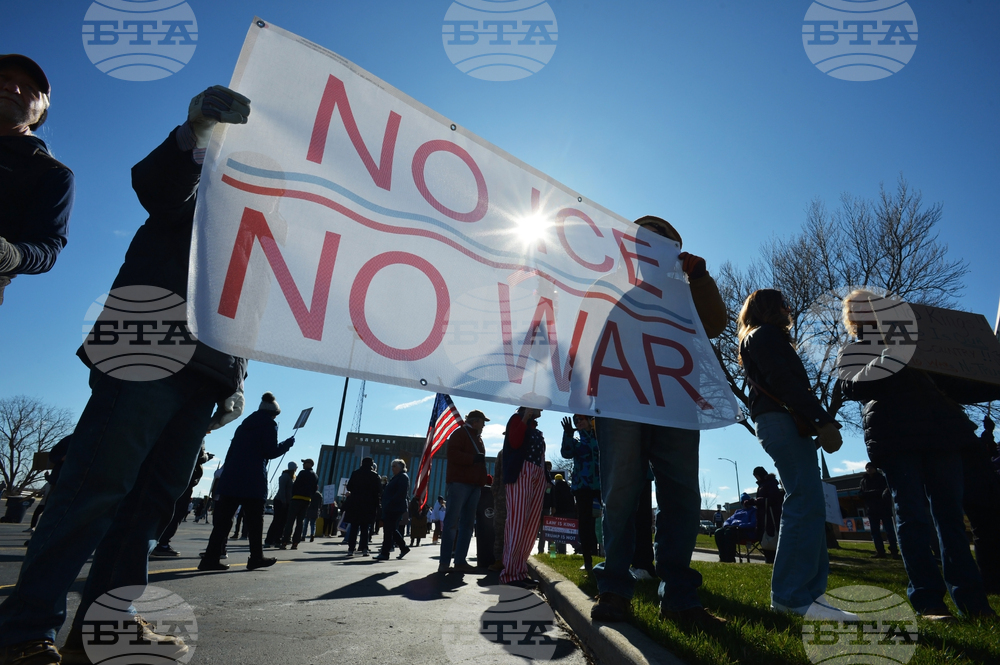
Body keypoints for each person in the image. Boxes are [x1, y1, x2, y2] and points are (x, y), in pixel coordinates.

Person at [0, 85, 250, 665]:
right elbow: (157, 187)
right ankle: (23, 628)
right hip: (148, 343)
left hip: (211, 366)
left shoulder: (271, 220)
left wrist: (236, 377)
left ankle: (105, 629)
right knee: (96, 487)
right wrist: (198, 134)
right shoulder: (206, 173)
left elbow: (251, 299)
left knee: (150, 504)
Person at [591, 215, 728, 628]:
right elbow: (593, 343)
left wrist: (700, 277)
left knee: (682, 498)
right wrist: (588, 398)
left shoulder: (689, 293)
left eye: (661, 239)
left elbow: (717, 325)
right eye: (643, 240)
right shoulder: (614, 290)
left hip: (675, 404)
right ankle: (614, 590)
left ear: (676, 250)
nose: (652, 245)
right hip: (623, 404)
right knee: (619, 495)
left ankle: (680, 599)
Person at [838, 290, 996, 619]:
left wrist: (992, 378)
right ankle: (929, 601)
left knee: (951, 520)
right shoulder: (856, 349)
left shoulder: (924, 345)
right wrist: (893, 356)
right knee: (912, 518)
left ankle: (973, 601)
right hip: (897, 440)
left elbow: (958, 386)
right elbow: (851, 386)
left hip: (943, 436)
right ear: (855, 319)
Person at [737, 288, 853, 620]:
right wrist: (821, 419)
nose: (789, 309)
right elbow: (784, 382)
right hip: (781, 420)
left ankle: (809, 595)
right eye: (783, 304)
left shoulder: (758, 337)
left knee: (811, 503)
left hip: (779, 421)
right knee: (804, 502)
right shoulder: (766, 335)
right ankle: (790, 596)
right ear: (771, 309)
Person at [0, 54, 73, 306]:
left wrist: (7, 254)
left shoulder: (51, 172)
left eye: (29, 88)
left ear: (41, 112)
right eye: (3, 79)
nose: (11, 87)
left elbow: (46, 248)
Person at [199, 392, 295, 572]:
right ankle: (256, 558)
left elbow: (231, 451)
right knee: (255, 521)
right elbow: (270, 452)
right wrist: (287, 445)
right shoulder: (269, 424)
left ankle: (210, 558)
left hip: (232, 478)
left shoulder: (244, 425)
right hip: (253, 480)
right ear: (273, 413)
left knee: (223, 522)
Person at [500, 407, 547, 588]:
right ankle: (509, 574)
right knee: (517, 523)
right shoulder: (517, 419)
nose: (542, 408)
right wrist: (525, 417)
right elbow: (514, 442)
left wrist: (546, 478)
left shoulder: (535, 428)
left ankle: (520, 570)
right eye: (539, 404)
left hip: (537, 475)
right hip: (521, 474)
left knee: (530, 526)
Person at [439, 409, 490, 573]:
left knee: (467, 524)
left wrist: (482, 481)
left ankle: (460, 560)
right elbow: (452, 454)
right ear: (475, 422)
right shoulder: (460, 434)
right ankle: (445, 562)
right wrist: (472, 459)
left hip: (474, 485)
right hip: (459, 483)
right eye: (483, 422)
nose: (483, 426)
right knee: (451, 523)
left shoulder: (476, 438)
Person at [560, 415, 600, 572]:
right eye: (576, 420)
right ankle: (588, 560)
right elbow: (566, 453)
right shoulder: (577, 441)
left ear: (590, 420)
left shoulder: (599, 438)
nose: (578, 422)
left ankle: (606, 556)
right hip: (582, 486)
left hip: (600, 485)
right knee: (584, 523)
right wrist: (568, 434)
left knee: (605, 522)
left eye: (581, 419)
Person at [859, 463, 898, 559]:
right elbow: (861, 494)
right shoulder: (864, 481)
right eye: (867, 468)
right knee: (875, 532)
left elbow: (884, 492)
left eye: (870, 467)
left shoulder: (882, 478)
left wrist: (869, 494)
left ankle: (894, 551)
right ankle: (880, 551)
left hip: (883, 508)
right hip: (871, 510)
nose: (868, 469)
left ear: (875, 468)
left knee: (889, 531)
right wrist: (871, 494)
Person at [375, 459, 410, 561]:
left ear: (400, 467)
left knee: (388, 529)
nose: (392, 468)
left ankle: (385, 553)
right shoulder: (396, 477)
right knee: (390, 529)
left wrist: (390, 501)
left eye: (394, 466)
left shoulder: (403, 477)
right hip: (391, 507)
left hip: (395, 507)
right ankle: (403, 547)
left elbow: (401, 493)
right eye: (392, 466)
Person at [345, 458, 381, 556]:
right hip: (368, 505)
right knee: (365, 528)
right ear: (371, 464)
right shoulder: (375, 475)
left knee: (354, 527)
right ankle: (364, 548)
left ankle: (351, 549)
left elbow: (349, 487)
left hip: (355, 504)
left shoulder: (355, 473)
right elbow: (379, 490)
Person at [280, 458, 319, 549]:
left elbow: (295, 485)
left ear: (309, 464)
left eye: (304, 463)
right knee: (300, 522)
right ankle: (295, 543)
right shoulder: (315, 476)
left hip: (296, 499)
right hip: (307, 501)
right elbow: (314, 489)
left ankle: (285, 541)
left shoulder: (302, 473)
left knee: (290, 521)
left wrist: (292, 495)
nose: (303, 465)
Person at [753, 466, 784, 565]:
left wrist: (758, 501)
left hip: (771, 517)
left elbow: (774, 499)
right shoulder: (763, 485)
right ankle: (769, 560)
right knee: (765, 538)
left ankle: (773, 560)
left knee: (771, 538)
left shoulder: (770, 484)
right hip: (763, 516)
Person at [714, 494, 757, 563]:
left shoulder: (754, 511)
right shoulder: (738, 512)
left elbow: (753, 523)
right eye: (743, 502)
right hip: (733, 529)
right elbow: (728, 520)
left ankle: (730, 559)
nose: (745, 503)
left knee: (729, 533)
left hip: (746, 532)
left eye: (747, 501)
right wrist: (727, 525)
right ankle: (723, 557)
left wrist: (739, 525)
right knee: (718, 532)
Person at [265, 462, 296, 547]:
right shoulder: (285, 477)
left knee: (282, 522)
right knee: (277, 521)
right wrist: (284, 501)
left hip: (286, 502)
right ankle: (269, 540)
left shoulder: (290, 477)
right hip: (280, 501)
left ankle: (277, 539)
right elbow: (282, 490)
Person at [488, 450, 507, 572]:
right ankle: (499, 559)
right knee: (500, 528)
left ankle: (514, 560)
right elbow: (497, 473)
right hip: (502, 496)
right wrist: (495, 492)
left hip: (517, 495)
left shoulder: (524, 451)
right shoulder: (502, 453)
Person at [475, 475, 496, 568]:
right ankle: (492, 560)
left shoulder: (478, 491)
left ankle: (482, 561)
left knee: (481, 538)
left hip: (480, 526)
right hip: (492, 527)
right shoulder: (494, 492)